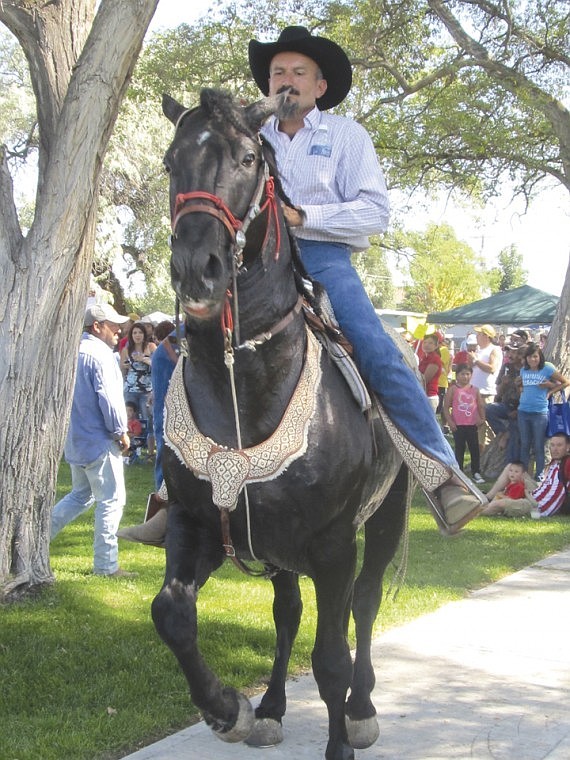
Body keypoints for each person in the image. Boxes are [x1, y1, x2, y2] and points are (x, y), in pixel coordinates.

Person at [245, 25, 486, 535]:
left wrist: (301, 216)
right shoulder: (249, 135)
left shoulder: (347, 137)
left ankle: (443, 475)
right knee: (197, 342)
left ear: (320, 86)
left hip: (323, 256)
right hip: (256, 259)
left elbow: (375, 212)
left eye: (297, 74)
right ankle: (172, 493)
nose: (285, 83)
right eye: (277, 74)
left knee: (376, 348)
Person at [51, 304, 136, 577]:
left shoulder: (71, 350)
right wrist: (120, 431)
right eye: (112, 324)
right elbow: (109, 399)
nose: (118, 330)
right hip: (99, 440)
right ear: (96, 326)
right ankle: (106, 566)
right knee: (111, 501)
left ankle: (36, 539)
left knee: (80, 496)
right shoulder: (101, 355)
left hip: (76, 438)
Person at [483, 434, 570, 518]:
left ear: (567, 447)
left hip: (535, 506)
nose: (555, 449)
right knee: (511, 467)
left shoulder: (567, 462)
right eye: (552, 445)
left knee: (499, 504)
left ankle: (476, 511)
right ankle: (488, 497)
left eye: (559, 445)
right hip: (533, 493)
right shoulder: (554, 462)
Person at [517, 343, 569, 479]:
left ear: (539, 356)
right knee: (524, 444)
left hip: (540, 412)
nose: (532, 359)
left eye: (535, 356)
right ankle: (522, 475)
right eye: (529, 357)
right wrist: (520, 388)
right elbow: (523, 386)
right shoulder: (524, 370)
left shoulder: (547, 368)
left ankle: (540, 475)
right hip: (523, 411)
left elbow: (565, 382)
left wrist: (550, 389)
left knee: (539, 445)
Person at [443, 363, 486, 483]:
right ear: (457, 375)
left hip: (472, 424)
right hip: (458, 425)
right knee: (459, 449)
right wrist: (450, 422)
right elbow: (446, 407)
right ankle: (459, 473)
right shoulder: (453, 389)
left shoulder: (475, 390)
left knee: (474, 449)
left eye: (468, 374)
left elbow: (480, 405)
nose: (465, 377)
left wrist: (482, 418)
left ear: (471, 375)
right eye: (462, 374)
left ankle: (476, 472)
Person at [419, 333, 443, 412]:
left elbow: (425, 379)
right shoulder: (424, 358)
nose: (427, 345)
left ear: (436, 346)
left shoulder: (435, 359)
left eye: (430, 343)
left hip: (430, 396)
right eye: (425, 342)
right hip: (422, 394)